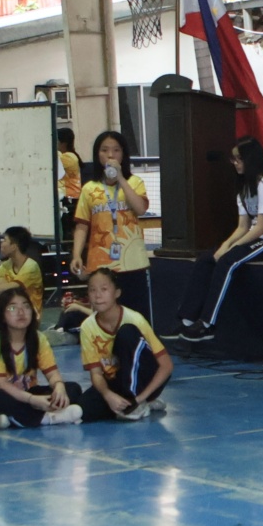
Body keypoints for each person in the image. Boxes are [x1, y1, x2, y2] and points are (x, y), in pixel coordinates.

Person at [175, 138, 263, 343]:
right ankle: (186, 319)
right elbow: (243, 226)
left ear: (250, 159)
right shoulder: (245, 187)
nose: (235, 163)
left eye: (239, 158)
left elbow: (261, 227)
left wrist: (231, 249)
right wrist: (225, 245)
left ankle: (208, 323)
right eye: (233, 159)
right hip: (256, 237)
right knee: (206, 258)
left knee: (228, 261)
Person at [0, 288, 83, 429]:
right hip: (4, 394)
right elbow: (0, 383)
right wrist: (32, 400)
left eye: (26, 306)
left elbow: (52, 373)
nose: (21, 312)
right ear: (2, 315)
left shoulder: (38, 338)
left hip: (28, 393)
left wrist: (59, 387)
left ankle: (10, 416)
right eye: (13, 307)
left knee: (73, 389)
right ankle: (47, 418)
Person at [71, 131, 151, 316]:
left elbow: (140, 209)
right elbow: (82, 225)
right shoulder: (89, 188)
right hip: (101, 263)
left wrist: (121, 178)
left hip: (132, 262)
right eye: (105, 150)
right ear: (97, 154)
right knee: (104, 316)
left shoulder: (134, 182)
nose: (110, 155)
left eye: (116, 150)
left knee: (136, 316)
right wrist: (76, 254)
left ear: (123, 154)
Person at [77, 268, 172, 422]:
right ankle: (141, 403)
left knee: (127, 332)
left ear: (117, 293)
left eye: (104, 289)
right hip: (117, 381)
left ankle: (139, 401)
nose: (98, 295)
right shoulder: (88, 327)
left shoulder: (135, 319)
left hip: (145, 377)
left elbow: (166, 366)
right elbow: (96, 374)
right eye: (92, 290)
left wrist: (140, 398)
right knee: (85, 408)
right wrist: (108, 395)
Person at [56, 126, 82, 246]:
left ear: (63, 143)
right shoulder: (70, 155)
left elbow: (53, 162)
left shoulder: (68, 157)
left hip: (70, 199)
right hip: (68, 198)